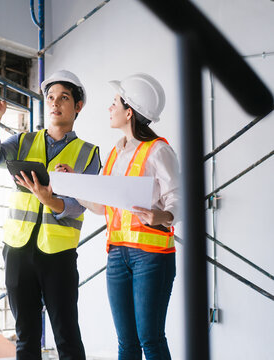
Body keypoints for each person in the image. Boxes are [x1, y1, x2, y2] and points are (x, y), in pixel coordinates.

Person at [57, 73, 179, 360]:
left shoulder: (159, 150)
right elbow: (102, 206)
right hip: (117, 255)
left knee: (150, 338)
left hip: (151, 256)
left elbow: (179, 197)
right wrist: (74, 183)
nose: (109, 108)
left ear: (129, 111)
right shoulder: (115, 153)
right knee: (127, 343)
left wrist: (161, 215)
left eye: (114, 103)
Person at [0, 70, 102, 360]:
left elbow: (80, 205)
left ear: (78, 106)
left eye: (64, 98)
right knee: (26, 337)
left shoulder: (88, 153)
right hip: (18, 250)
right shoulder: (23, 141)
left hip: (58, 255)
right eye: (50, 97)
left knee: (66, 336)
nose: (55, 103)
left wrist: (51, 201)